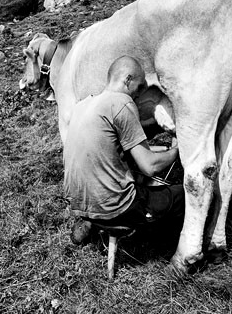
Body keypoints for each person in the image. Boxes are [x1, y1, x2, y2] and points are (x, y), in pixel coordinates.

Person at [63, 55, 184, 244]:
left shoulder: (83, 105)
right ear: (127, 80)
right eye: (141, 85)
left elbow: (109, 150)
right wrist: (177, 151)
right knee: (184, 195)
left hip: (80, 206)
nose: (142, 92)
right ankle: (171, 247)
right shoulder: (121, 103)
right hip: (115, 209)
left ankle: (91, 225)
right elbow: (149, 166)